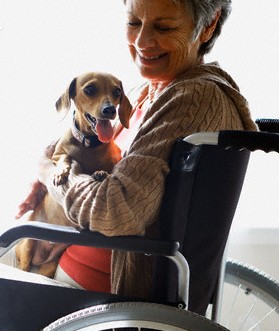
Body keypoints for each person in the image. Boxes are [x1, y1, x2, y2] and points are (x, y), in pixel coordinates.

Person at [1, 0, 256, 301]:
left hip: (91, 297)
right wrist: (49, 165)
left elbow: (115, 212)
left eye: (163, 27)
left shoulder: (191, 100)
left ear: (208, 26)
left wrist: (50, 174)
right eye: (134, 22)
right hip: (55, 254)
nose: (141, 41)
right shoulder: (146, 92)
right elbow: (84, 141)